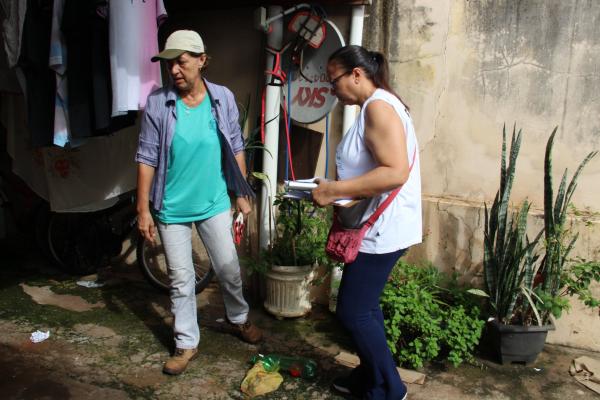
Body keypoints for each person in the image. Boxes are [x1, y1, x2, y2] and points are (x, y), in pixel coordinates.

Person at [135, 30, 262, 376]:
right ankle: (186, 342)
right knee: (181, 279)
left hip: (214, 201)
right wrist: (143, 208)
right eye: (169, 64)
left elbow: (235, 145)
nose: (174, 70)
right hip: (171, 207)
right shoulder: (158, 103)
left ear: (202, 60)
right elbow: (146, 157)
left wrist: (241, 192)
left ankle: (238, 318)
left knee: (229, 269)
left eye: (181, 62)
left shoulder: (222, 98)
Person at [312, 45, 422, 399]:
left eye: (334, 81)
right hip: (380, 224)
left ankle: (390, 388)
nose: (332, 90)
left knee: (353, 312)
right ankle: (371, 376)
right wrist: (332, 188)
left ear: (356, 75)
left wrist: (334, 190)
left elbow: (395, 172)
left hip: (381, 229)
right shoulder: (376, 105)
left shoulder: (377, 107)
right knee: (366, 307)